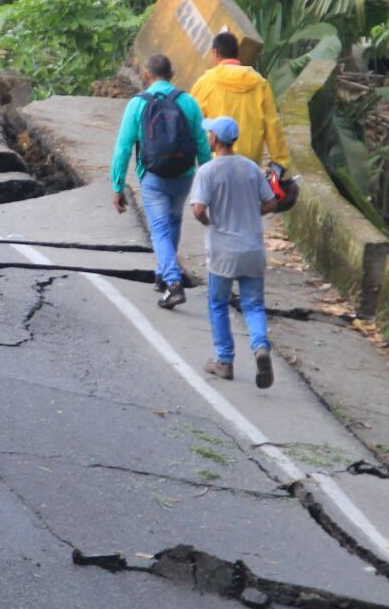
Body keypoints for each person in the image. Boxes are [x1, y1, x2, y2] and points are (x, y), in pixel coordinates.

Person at [111, 53, 211, 309]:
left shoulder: (137, 104)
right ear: (173, 75)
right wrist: (208, 183)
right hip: (183, 175)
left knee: (159, 229)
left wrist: (117, 185)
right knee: (173, 221)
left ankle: (173, 282)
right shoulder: (188, 102)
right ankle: (162, 273)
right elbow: (202, 145)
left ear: (146, 75)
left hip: (153, 176)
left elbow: (123, 148)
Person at [190, 116, 279, 388]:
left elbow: (198, 209)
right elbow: (271, 202)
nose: (208, 138)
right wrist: (253, 213)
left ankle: (225, 360)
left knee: (218, 303)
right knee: (253, 305)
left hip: (222, 251)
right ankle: (260, 346)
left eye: (210, 134)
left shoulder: (207, 171)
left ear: (215, 139)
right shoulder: (251, 168)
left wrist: (209, 223)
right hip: (252, 248)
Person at [190, 32, 290, 170]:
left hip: (217, 159)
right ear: (237, 54)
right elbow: (272, 125)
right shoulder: (260, 84)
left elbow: (191, 120)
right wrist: (280, 161)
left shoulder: (206, 82)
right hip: (250, 162)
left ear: (216, 53)